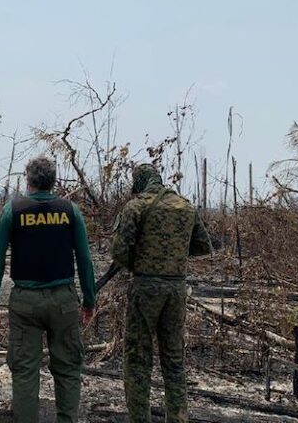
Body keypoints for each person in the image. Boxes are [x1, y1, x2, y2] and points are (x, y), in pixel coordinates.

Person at [0, 155, 96, 423]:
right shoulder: (70, 210)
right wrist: (89, 300)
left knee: (24, 372)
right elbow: (85, 258)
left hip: (25, 302)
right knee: (68, 370)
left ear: (28, 179)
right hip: (64, 301)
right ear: (53, 181)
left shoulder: (13, 210)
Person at [111, 163, 212, 423]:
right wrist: (173, 257)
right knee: (174, 360)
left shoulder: (136, 206)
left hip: (145, 288)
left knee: (137, 360)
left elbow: (119, 252)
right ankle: (178, 418)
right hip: (176, 289)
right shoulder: (185, 206)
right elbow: (203, 246)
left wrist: (142, 263)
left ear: (139, 181)